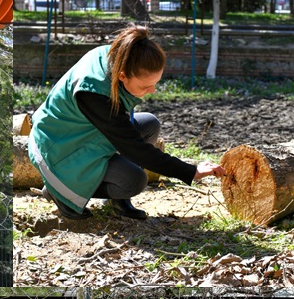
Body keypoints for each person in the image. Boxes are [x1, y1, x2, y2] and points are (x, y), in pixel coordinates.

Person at [28, 25, 225, 220]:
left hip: (81, 134)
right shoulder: (94, 94)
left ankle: (117, 200)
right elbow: (135, 148)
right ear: (123, 75)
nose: (153, 90)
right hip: (57, 149)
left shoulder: (118, 55)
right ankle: (60, 192)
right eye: (146, 86)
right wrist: (191, 171)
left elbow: (125, 127)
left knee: (149, 124)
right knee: (134, 181)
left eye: (155, 83)